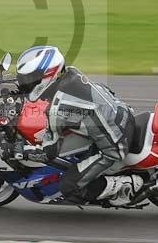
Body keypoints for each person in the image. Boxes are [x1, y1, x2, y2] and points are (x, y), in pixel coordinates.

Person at [14, 45, 143, 206]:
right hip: (121, 113)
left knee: (69, 186)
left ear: (46, 76)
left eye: (27, 79)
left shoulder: (57, 108)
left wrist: (19, 151)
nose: (24, 83)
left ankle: (125, 186)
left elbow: (48, 154)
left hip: (115, 145)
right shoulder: (71, 73)